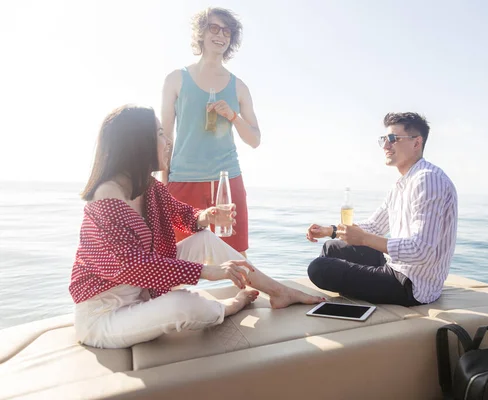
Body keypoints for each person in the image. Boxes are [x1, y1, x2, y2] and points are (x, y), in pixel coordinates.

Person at [69, 104, 322, 349]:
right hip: (105, 316)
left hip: (142, 291)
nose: (168, 141)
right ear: (137, 143)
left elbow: (183, 214)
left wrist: (207, 216)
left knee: (205, 240)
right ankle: (230, 306)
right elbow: (131, 265)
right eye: (159, 134)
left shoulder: (148, 187)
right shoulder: (105, 199)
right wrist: (209, 271)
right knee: (182, 304)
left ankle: (279, 291)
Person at [305, 112, 458, 306]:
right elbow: (374, 226)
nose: (386, 145)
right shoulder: (403, 183)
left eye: (393, 139)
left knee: (319, 268)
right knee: (332, 247)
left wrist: (364, 239)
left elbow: (422, 251)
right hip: (395, 264)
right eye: (384, 139)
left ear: (416, 143)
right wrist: (331, 231)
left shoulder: (428, 179)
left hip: (413, 284)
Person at [160, 7, 260, 257]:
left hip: (226, 180)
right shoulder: (176, 79)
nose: (221, 35)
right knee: (175, 258)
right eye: (214, 28)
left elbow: (255, 140)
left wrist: (233, 116)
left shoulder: (239, 86)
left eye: (226, 31)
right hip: (183, 178)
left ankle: (243, 297)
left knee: (236, 257)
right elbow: (165, 137)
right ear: (201, 34)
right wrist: (164, 183)